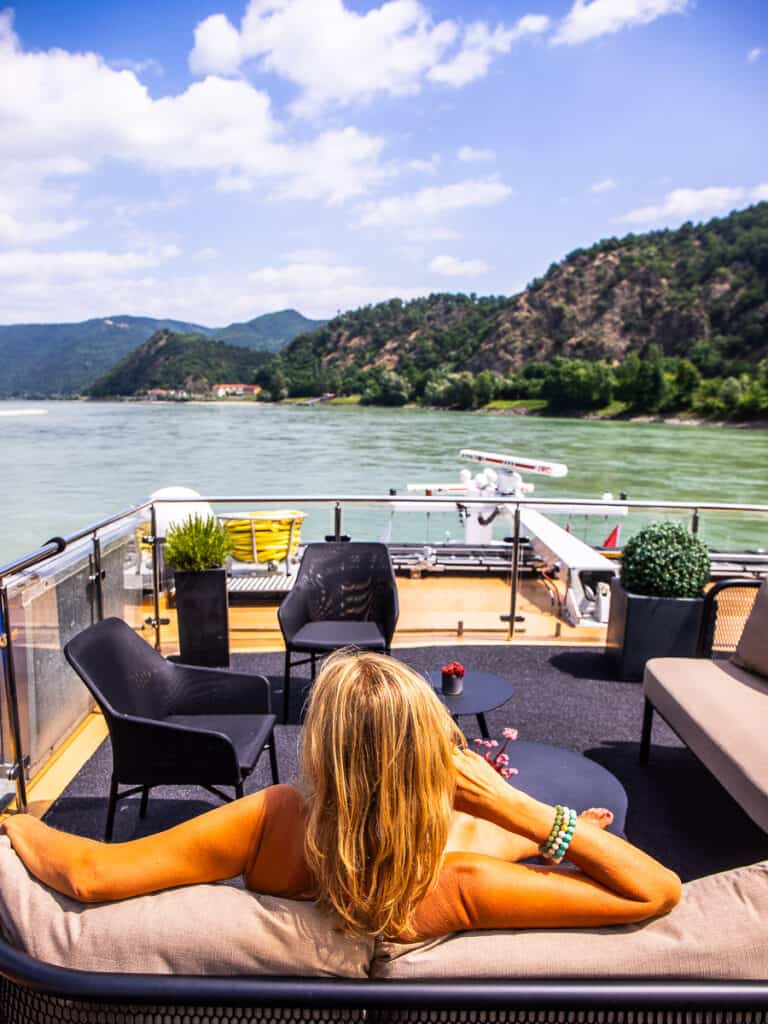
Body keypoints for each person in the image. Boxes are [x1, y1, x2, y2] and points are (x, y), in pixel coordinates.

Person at [1, 651, 680, 940]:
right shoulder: (459, 881)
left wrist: (17, 825)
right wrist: (521, 811)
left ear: (324, 748)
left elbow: (89, 875)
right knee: (549, 843)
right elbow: (656, 891)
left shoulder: (272, 821)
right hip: (464, 853)